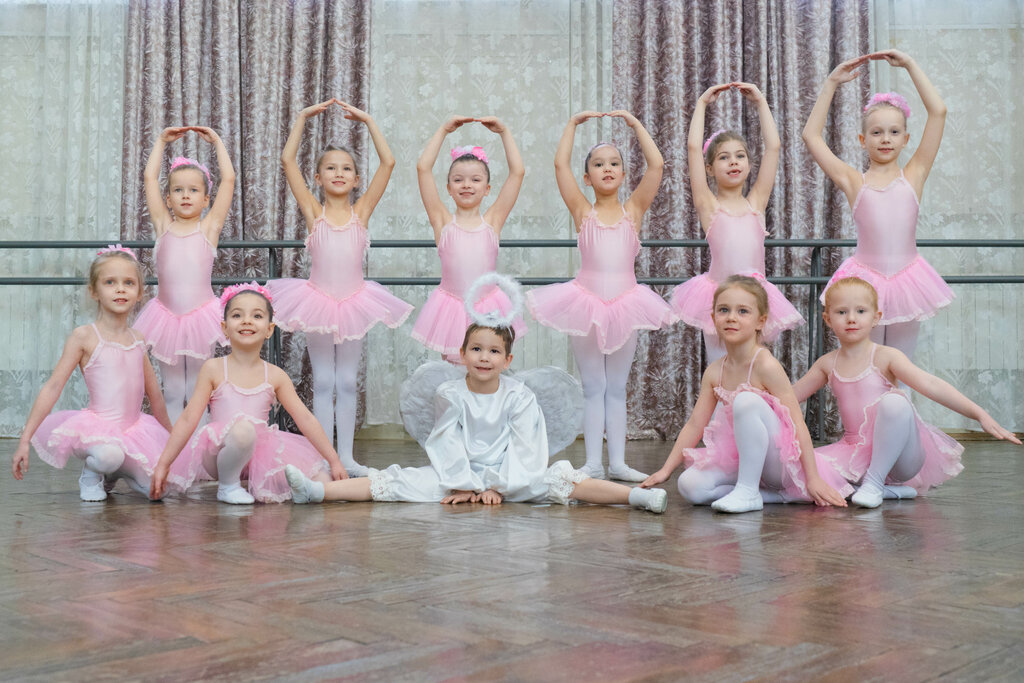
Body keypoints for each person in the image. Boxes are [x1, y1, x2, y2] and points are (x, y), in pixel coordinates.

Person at [285, 318, 667, 514]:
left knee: (565, 480)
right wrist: (462, 484)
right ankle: (317, 492)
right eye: (477, 349)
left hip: (514, 475)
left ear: (507, 359)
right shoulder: (450, 393)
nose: (485, 358)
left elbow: (526, 446)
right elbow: (446, 441)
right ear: (462, 354)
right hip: (458, 473)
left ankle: (637, 497)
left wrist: (500, 487)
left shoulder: (519, 396)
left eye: (494, 351)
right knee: (396, 481)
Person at [526, 110, 676, 482]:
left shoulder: (633, 211)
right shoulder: (582, 211)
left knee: (617, 387)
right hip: (585, 304)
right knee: (593, 386)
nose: (607, 168)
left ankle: (618, 463)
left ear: (623, 174)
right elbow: (560, 165)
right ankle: (593, 463)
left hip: (626, 304)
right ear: (587, 177)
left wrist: (636, 125)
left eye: (614, 163)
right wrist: (571, 125)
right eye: (598, 164)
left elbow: (656, 165)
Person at [265, 99, 412, 476]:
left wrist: (368, 120)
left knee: (346, 381)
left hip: (354, 303)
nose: (339, 173)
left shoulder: (361, 213)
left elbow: (389, 163)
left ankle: (346, 457)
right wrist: (301, 117)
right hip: (317, 301)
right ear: (318, 178)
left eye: (346, 168)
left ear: (357, 179)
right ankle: (324, 456)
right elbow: (288, 161)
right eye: (330, 168)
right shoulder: (314, 213)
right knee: (324, 380)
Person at [793, 277, 1020, 508]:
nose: (851, 318)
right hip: (853, 455)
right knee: (804, 465)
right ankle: (885, 491)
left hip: (902, 458)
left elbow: (931, 384)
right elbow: (788, 398)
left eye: (860, 311)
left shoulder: (886, 356)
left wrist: (979, 414)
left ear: (876, 317)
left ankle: (874, 483)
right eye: (842, 312)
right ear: (828, 319)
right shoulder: (826, 364)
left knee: (894, 401)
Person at [641, 275, 851, 514]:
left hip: (780, 462)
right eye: (724, 310)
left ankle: (749, 491)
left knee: (746, 400)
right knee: (689, 486)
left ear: (760, 321)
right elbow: (694, 425)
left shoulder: (765, 365)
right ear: (714, 318)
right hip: (744, 459)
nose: (731, 317)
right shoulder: (715, 371)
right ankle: (773, 497)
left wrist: (812, 478)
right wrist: (666, 470)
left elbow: (797, 422)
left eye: (743, 311)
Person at [803, 50, 953, 359]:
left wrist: (910, 64)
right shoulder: (853, 181)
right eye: (876, 132)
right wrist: (831, 82)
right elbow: (811, 136)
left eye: (894, 132)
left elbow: (938, 112)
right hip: (863, 284)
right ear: (862, 139)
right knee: (862, 363)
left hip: (907, 281)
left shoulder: (914, 175)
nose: (885, 139)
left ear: (905, 139)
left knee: (900, 367)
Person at [149, 283, 347, 504]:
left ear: (269, 329)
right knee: (244, 430)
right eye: (237, 315)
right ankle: (228, 486)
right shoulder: (213, 368)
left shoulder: (275, 375)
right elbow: (188, 419)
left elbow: (306, 419)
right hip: (219, 454)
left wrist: (334, 461)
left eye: (257, 316)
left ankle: (302, 488)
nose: (246, 321)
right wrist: (164, 463)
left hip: (259, 457)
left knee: (322, 479)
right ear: (224, 328)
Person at [11, 247, 171, 500]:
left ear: (140, 292)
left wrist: (170, 442)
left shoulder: (138, 339)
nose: (120, 289)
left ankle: (116, 471)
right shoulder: (84, 336)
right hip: (97, 432)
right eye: (110, 282)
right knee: (109, 455)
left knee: (158, 492)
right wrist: (24, 439)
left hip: (134, 432)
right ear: (94, 291)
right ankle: (92, 474)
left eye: (128, 283)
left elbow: (155, 396)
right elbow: (53, 387)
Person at [670, 82, 803, 362]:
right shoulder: (709, 206)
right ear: (709, 168)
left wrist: (761, 102)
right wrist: (702, 103)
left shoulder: (756, 203)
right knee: (720, 367)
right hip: (719, 298)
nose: (733, 162)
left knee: (751, 367)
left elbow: (773, 147)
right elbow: (693, 148)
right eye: (724, 157)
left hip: (753, 300)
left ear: (749, 165)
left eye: (740, 156)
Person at [134, 126, 235, 423]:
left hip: (201, 316)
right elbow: (149, 178)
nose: (186, 195)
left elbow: (229, 179)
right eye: (178, 190)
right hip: (165, 318)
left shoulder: (209, 229)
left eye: (193, 190)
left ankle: (198, 443)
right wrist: (160, 141)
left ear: (205, 199)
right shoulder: (163, 226)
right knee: (174, 389)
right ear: (168, 199)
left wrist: (217, 141)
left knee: (197, 389)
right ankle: (174, 445)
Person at [410, 115, 527, 362]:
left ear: (487, 189)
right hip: (451, 310)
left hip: (489, 306)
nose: (466, 185)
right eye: (458, 180)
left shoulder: (492, 222)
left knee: (487, 367)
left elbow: (517, 173)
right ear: (448, 188)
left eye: (475, 180)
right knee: (455, 371)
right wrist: (443, 129)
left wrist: (504, 131)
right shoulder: (442, 222)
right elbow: (423, 169)